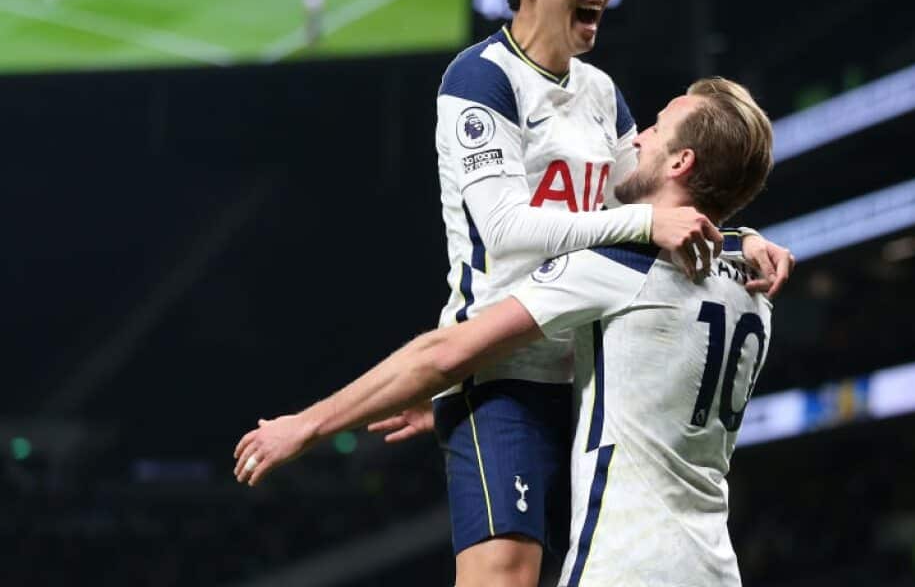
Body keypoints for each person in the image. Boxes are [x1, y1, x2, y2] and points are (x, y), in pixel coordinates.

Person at [392, 0, 791, 586]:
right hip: (501, 365)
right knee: (506, 575)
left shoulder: (602, 94)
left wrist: (735, 239)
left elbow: (661, 200)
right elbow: (512, 229)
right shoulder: (479, 80)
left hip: (581, 369)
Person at [235, 76, 775, 587]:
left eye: (657, 128)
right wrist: (746, 235)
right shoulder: (753, 285)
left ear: (681, 162)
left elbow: (442, 355)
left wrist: (306, 425)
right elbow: (633, 362)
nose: (639, 137)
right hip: (714, 567)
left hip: (626, 567)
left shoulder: (624, 264)